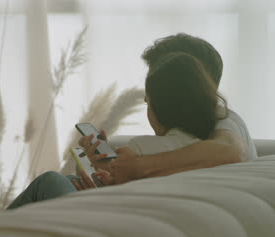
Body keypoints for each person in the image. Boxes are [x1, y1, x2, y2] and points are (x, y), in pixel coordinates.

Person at [7, 51, 227, 209]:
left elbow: (122, 203)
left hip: (117, 224)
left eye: (148, 103)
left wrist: (97, 190)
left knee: (49, 181)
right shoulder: (215, 142)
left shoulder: (143, 148)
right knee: (70, 182)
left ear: (161, 108)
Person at [104, 33, 257, 183]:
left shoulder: (224, 117)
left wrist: (138, 166)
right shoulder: (188, 134)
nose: (148, 96)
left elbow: (231, 152)